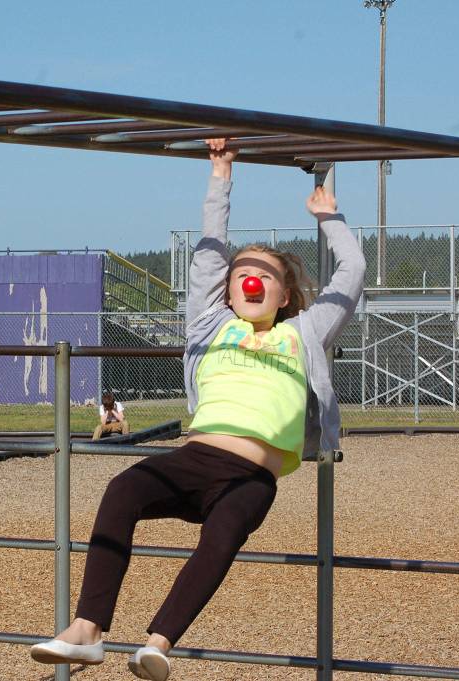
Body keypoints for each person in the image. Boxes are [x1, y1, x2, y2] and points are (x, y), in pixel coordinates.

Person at [30, 138, 365, 680]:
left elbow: (350, 273)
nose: (249, 279)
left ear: (283, 295)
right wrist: (220, 178)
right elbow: (210, 253)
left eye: (264, 276)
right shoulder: (211, 327)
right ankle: (88, 630)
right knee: (122, 490)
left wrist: (331, 217)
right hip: (194, 458)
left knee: (226, 530)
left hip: (252, 474)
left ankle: (158, 643)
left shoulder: (303, 335)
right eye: (240, 275)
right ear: (228, 292)